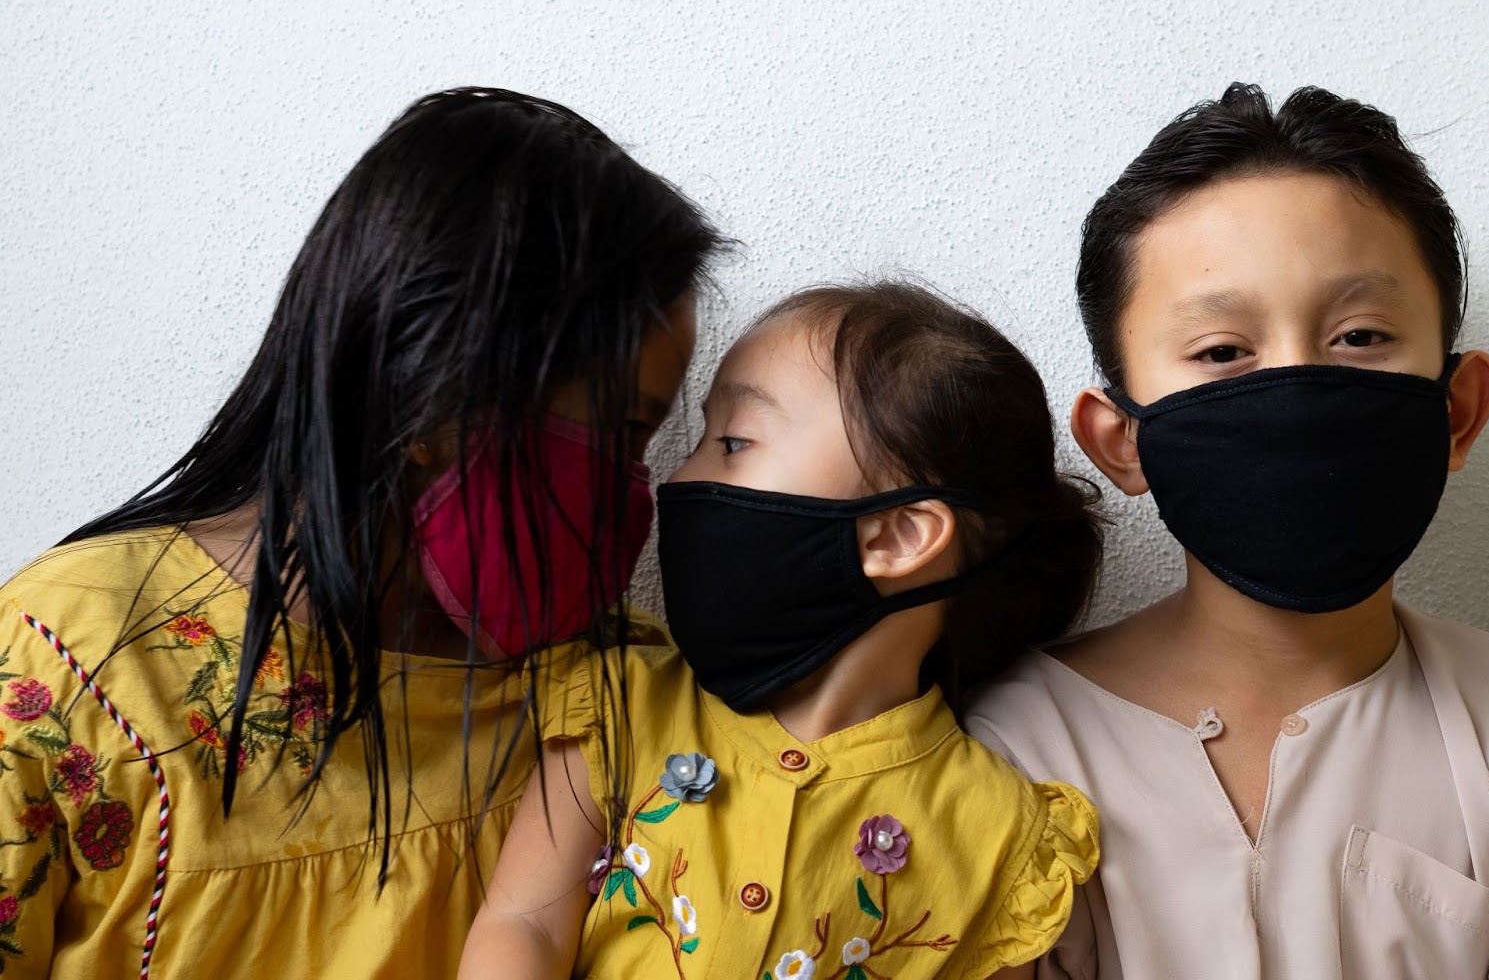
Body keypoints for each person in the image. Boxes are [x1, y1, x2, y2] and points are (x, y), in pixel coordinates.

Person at [0, 87, 727, 977]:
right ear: (428, 397)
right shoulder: (59, 673)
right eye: (622, 433)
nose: (639, 494)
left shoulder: (615, 697)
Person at [967, 83, 1489, 978]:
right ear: (1123, 441)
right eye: (1223, 351)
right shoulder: (1010, 749)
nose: (1299, 389)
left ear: (1456, 413)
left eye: (1360, 335)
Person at [460, 281, 1104, 980]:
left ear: (897, 536)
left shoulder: (997, 834)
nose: (678, 478)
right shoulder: (618, 708)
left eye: (733, 442)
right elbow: (522, 925)